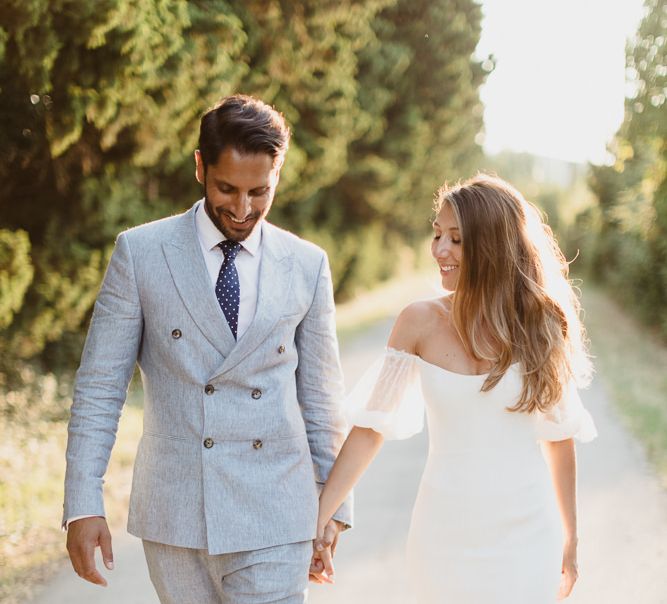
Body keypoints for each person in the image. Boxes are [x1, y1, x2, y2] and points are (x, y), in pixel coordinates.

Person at [63, 94, 351, 603]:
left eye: (259, 192)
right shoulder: (141, 253)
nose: (242, 210)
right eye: (227, 189)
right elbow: (100, 387)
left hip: (277, 509)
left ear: (277, 176)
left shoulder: (307, 264)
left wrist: (334, 508)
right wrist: (83, 502)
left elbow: (323, 397)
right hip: (176, 513)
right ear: (200, 167)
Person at [312, 174, 597, 603]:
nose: (440, 250)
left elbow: (560, 440)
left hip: (527, 534)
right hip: (442, 535)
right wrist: (320, 518)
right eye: (438, 235)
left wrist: (571, 540)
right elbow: (370, 430)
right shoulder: (418, 322)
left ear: (492, 245)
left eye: (457, 240)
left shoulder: (539, 326)